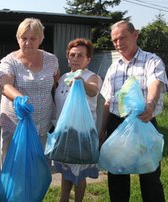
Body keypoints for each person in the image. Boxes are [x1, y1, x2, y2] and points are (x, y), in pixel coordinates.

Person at [99, 20, 168, 201]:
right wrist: (102, 130)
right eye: (115, 40)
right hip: (117, 125)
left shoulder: (151, 60)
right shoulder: (113, 67)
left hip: (143, 121)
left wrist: (151, 103)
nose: (119, 43)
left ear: (135, 34)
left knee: (150, 176)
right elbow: (108, 100)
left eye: (123, 37)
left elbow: (156, 82)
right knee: (117, 175)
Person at [0, 18, 60, 166]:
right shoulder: (9, 61)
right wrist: (19, 99)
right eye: (23, 38)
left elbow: (56, 79)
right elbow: (5, 85)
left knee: (36, 166)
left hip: (42, 124)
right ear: (18, 39)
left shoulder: (51, 60)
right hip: (15, 124)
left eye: (33, 38)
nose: (27, 42)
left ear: (41, 39)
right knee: (13, 166)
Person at [53, 38, 102, 202]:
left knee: (79, 173)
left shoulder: (91, 76)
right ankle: (64, 199)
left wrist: (81, 83)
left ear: (88, 59)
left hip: (82, 134)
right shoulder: (63, 78)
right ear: (67, 58)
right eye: (72, 55)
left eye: (80, 55)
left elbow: (94, 90)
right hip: (64, 132)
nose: (75, 58)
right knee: (66, 170)